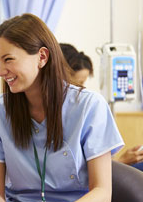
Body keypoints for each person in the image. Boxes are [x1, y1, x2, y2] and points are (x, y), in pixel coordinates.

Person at [0, 13, 124, 202]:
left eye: (8, 59)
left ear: (42, 57)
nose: (0, 71)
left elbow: (102, 193)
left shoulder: (90, 106)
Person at [60, 43, 143, 171]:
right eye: (78, 83)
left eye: (83, 83)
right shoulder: (62, 115)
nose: (82, 89)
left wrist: (121, 161)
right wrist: (122, 161)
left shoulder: (86, 108)